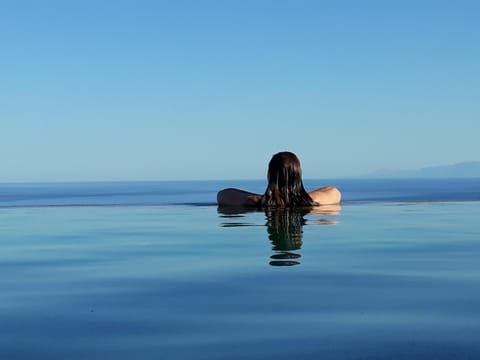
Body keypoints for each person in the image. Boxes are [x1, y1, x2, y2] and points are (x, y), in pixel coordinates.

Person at [217, 151, 341, 207]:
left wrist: (262, 199)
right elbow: (334, 192)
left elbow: (222, 195)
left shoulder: (258, 203)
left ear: (269, 175)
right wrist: (302, 198)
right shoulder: (311, 202)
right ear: (299, 175)